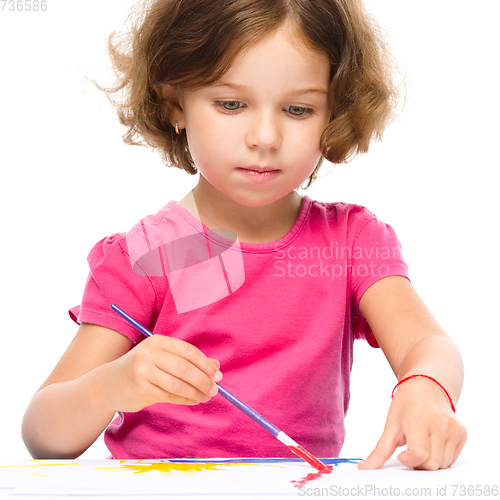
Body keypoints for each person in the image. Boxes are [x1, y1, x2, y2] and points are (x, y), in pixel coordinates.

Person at [22, 0, 466, 470]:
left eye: (298, 109)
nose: (265, 136)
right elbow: (43, 435)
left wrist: (427, 388)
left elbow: (429, 345)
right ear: (175, 103)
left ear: (333, 115)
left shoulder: (351, 243)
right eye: (231, 104)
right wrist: (111, 384)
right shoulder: (150, 257)